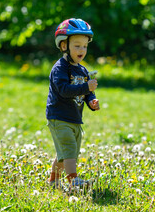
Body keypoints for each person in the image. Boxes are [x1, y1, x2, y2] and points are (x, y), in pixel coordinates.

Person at [46, 18, 100, 191]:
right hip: (59, 116)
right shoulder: (60, 68)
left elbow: (86, 92)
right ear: (64, 46)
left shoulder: (83, 70)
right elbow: (63, 90)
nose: (81, 50)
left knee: (66, 153)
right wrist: (86, 86)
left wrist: (91, 100)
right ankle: (74, 181)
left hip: (75, 118)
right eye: (77, 46)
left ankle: (53, 181)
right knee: (69, 149)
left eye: (84, 46)